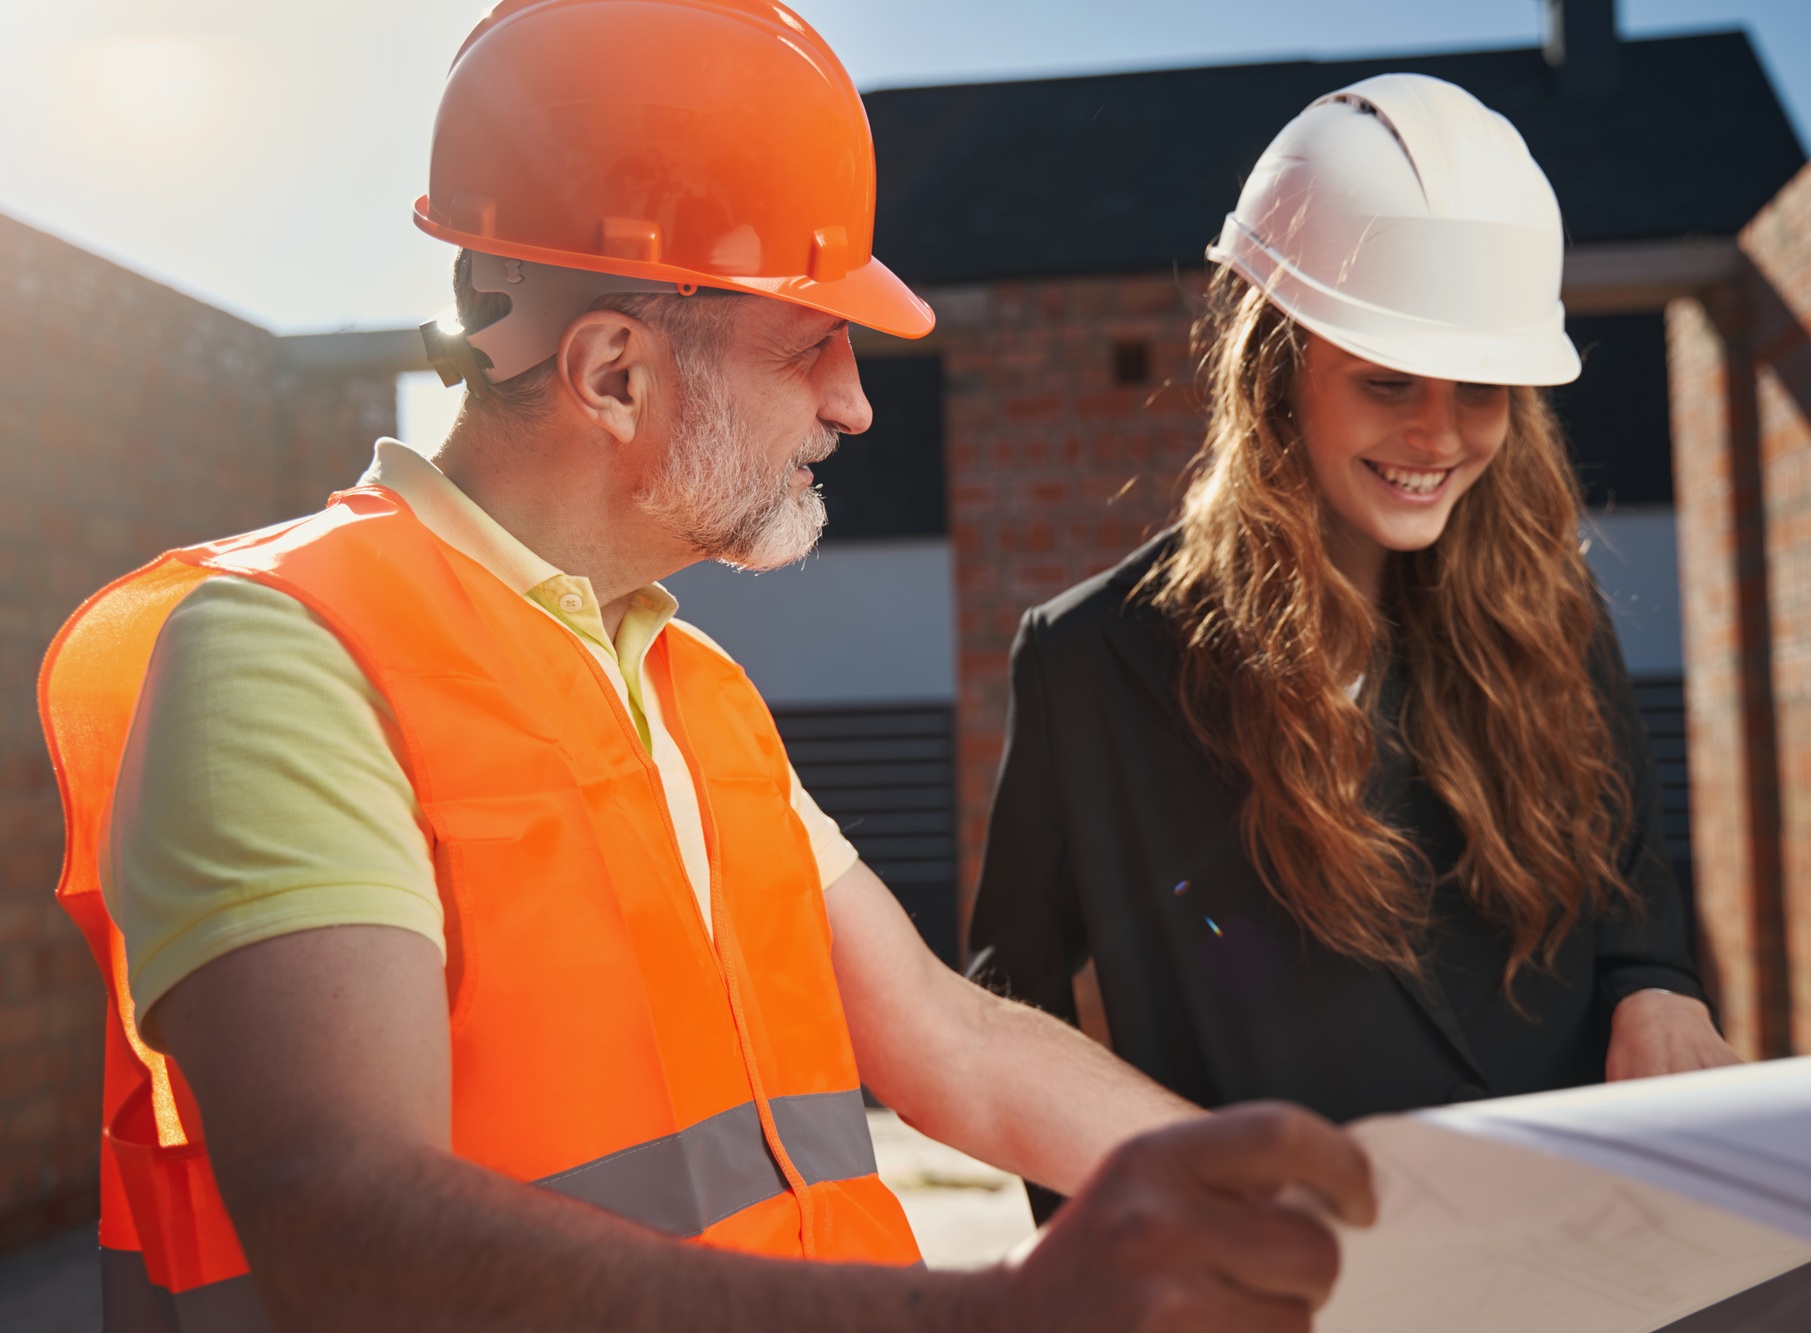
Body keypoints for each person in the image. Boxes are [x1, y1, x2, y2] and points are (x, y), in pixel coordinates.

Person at [39, 4, 1375, 1329]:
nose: (854, 401)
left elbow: (949, 1041)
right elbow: (340, 1221)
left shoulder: (693, 684)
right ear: (615, 373)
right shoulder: (284, 659)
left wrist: (1305, 1212)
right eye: (812, 343)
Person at [967, 73, 1741, 1217]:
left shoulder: (1550, 610)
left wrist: (1655, 988)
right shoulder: (1090, 664)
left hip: (1578, 1244)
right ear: (1276, 370)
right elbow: (1008, 1011)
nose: (1436, 434)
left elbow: (1627, 883)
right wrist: (1120, 1238)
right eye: (1387, 382)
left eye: (1479, 390)